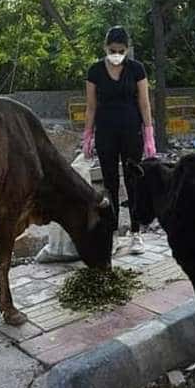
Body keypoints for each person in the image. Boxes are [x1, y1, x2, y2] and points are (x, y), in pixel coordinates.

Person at [82, 26, 156, 254]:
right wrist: (88, 135)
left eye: (120, 50)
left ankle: (136, 233)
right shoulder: (95, 71)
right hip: (106, 132)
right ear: (106, 48)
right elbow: (91, 107)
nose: (116, 54)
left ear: (127, 49)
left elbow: (144, 103)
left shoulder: (136, 69)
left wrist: (149, 133)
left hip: (131, 131)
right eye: (112, 50)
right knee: (110, 184)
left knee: (133, 181)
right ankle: (112, 234)